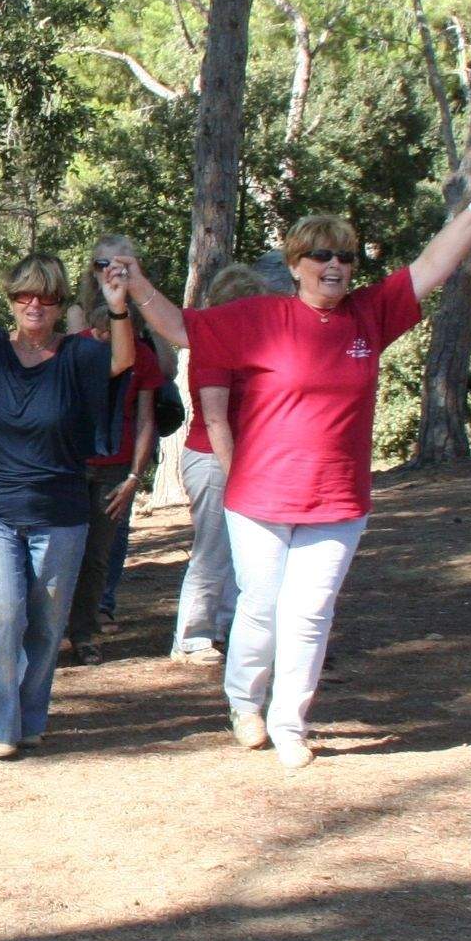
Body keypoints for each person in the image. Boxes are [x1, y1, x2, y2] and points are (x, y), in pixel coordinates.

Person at [127, 187, 471, 769]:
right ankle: (244, 702)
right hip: (259, 495)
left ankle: (290, 723)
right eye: (321, 255)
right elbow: (178, 326)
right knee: (261, 604)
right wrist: (133, 281)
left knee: (310, 612)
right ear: (296, 264)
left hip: (338, 498)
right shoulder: (259, 317)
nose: (334, 266)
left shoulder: (368, 315)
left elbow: (431, 265)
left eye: (345, 257)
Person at [0, 253, 133, 758]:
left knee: (46, 620)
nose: (34, 304)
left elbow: (122, 362)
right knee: (3, 611)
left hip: (60, 510)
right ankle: (1, 723)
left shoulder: (79, 355)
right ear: (11, 299)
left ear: (61, 303)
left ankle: (31, 714)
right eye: (23, 295)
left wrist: (119, 306)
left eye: (46, 296)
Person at [168, 263, 277, 663]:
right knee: (213, 549)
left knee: (243, 552)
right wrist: (237, 477)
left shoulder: (255, 348)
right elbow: (215, 420)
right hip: (214, 459)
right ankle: (193, 635)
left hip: (248, 458)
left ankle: (230, 627)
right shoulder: (214, 345)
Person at [63, 235, 162, 666]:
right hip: (69, 466)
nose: (106, 337)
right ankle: (48, 631)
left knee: (96, 556)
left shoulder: (142, 355)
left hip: (113, 468)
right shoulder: (73, 347)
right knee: (56, 553)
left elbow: (145, 419)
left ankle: (84, 633)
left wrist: (135, 476)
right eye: (101, 331)